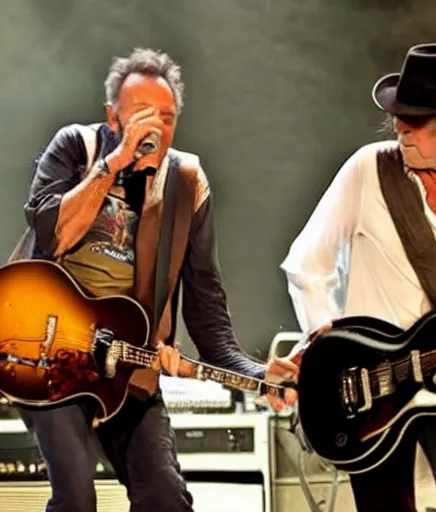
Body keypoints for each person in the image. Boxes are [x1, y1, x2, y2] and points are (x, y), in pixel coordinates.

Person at [16, 47, 296, 512]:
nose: (155, 128)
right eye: (141, 115)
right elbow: (56, 234)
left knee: (166, 498)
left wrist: (257, 374)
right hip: (44, 353)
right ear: (112, 117)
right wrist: (115, 161)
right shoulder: (76, 148)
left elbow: (208, 318)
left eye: (165, 117)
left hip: (126, 368)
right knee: (76, 499)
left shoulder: (186, 184)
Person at [280, 43, 436, 511]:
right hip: (371, 386)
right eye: (398, 117)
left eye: (417, 120)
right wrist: (324, 332)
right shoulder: (369, 169)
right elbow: (308, 260)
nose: (401, 128)